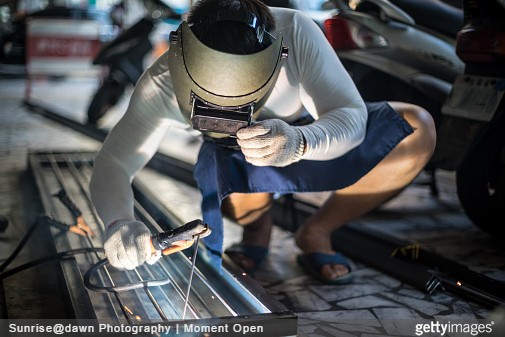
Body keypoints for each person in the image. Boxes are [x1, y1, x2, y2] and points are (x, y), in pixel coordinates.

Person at [89, 0, 436, 284]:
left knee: (414, 128)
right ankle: (257, 230)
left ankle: (317, 231)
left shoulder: (295, 32)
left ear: (276, 55)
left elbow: (350, 114)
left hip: (311, 135)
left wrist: (301, 141)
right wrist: (118, 223)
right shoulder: (163, 81)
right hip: (239, 158)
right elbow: (114, 162)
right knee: (226, 180)